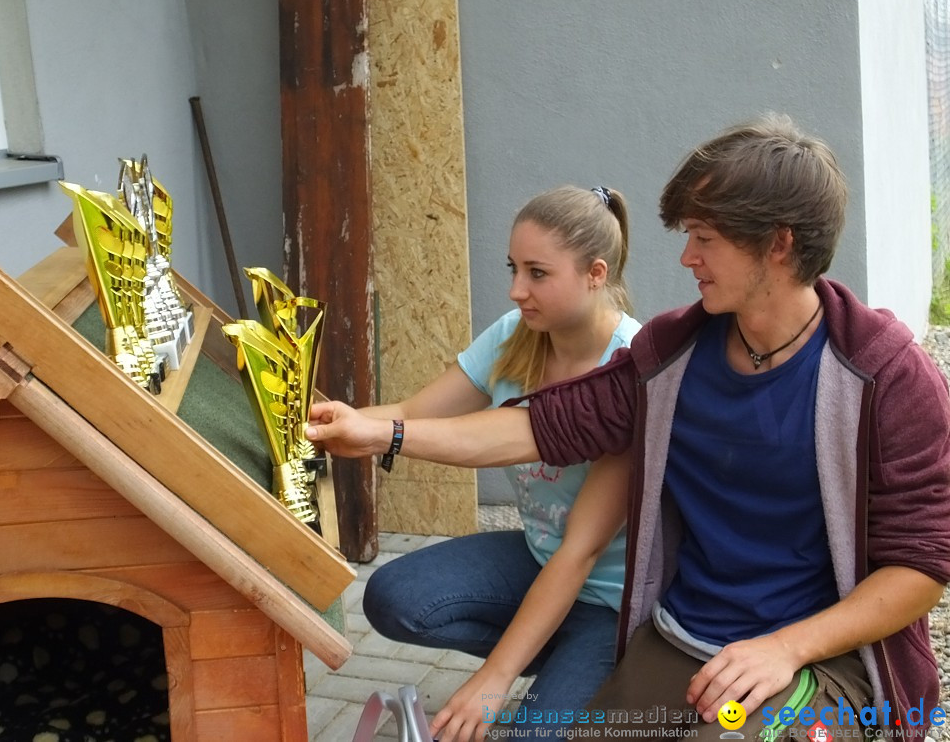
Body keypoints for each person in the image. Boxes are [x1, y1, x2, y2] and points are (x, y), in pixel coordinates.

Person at [308, 115, 950, 741]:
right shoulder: (674, 351)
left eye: (704, 237)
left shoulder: (884, 373)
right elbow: (542, 427)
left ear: (778, 244)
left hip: (815, 658)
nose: (686, 256)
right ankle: (569, 659)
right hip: (681, 638)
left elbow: (922, 565)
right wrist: (382, 434)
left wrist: (786, 647)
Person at [359, 185, 640, 738]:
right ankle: (553, 653)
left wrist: (494, 677)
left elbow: (581, 553)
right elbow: (413, 413)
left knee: (531, 735)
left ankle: (595, 668)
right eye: (513, 268)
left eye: (537, 273)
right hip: (538, 558)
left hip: (612, 599)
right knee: (392, 599)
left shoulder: (631, 370)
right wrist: (329, 421)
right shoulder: (516, 336)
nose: (516, 290)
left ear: (595, 273)